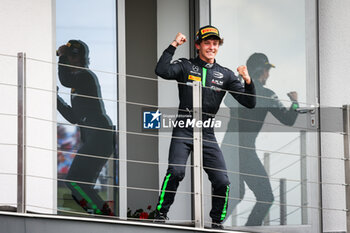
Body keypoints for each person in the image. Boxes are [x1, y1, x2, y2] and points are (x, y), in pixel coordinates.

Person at [154, 25, 256, 229]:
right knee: (176, 172)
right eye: (207, 43)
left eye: (215, 43)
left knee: (222, 182)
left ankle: (217, 223)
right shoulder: (185, 66)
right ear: (198, 45)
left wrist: (247, 80)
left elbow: (249, 103)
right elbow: (161, 70)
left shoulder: (225, 74)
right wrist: (174, 44)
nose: (212, 47)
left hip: (207, 130)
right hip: (184, 125)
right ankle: (160, 214)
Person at [223, 53, 299, 226]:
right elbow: (288, 119)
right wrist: (295, 102)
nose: (268, 75)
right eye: (266, 70)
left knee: (236, 195)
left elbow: (227, 100)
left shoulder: (239, 90)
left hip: (228, 149)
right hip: (244, 152)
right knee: (265, 196)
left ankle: (211, 226)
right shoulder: (266, 94)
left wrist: (236, 81)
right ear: (260, 70)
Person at [56, 40, 115, 216]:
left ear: (79, 57)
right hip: (96, 137)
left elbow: (65, 79)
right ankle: (101, 214)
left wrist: (61, 58)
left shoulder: (85, 76)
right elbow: (73, 117)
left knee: (74, 181)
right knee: (78, 185)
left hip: (99, 135)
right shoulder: (77, 83)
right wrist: (55, 98)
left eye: (71, 56)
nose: (69, 60)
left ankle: (104, 215)